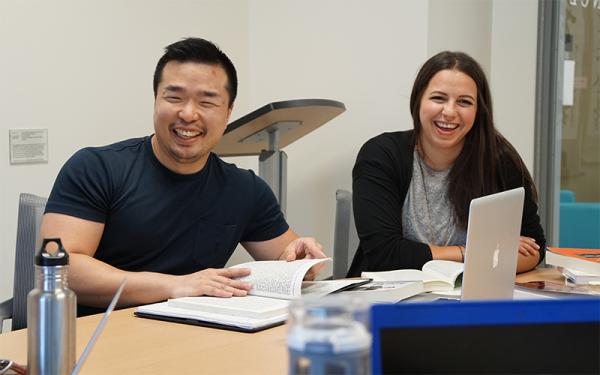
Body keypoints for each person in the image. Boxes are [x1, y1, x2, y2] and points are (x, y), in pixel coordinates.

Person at [40, 37, 325, 316]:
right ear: (155, 100)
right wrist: (176, 285)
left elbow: (286, 261)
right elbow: (62, 268)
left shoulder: (245, 189)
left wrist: (302, 264)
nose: (188, 114)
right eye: (174, 97)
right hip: (96, 338)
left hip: (192, 339)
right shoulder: (96, 168)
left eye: (207, 102)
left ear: (228, 113)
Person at [347, 51, 545, 277]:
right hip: (388, 303)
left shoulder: (499, 160)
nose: (450, 112)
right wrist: (477, 252)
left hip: (467, 301)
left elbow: (534, 248)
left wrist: (476, 257)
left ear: (478, 110)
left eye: (464, 102)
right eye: (438, 98)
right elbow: (386, 256)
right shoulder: (381, 154)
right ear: (418, 100)